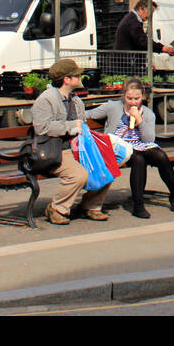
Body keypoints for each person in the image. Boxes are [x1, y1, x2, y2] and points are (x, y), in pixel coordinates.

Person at [31, 58, 110, 224]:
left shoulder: (75, 100)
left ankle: (91, 206)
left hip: (77, 148)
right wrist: (70, 126)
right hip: (56, 150)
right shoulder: (46, 100)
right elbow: (42, 128)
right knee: (78, 175)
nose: (80, 76)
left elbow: (83, 123)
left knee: (106, 167)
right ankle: (57, 208)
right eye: (77, 74)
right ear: (66, 79)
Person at [88, 79, 174, 219]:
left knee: (161, 156)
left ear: (142, 96)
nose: (133, 102)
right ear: (123, 96)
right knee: (138, 159)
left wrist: (139, 120)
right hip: (121, 145)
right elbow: (89, 114)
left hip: (142, 143)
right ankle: (138, 205)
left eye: (137, 99)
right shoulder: (114, 107)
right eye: (129, 98)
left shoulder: (148, 113)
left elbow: (149, 139)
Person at [114, 0, 174, 69]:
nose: (150, 16)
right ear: (141, 9)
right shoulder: (132, 22)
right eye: (150, 12)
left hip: (127, 61)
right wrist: (164, 48)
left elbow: (139, 44)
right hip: (125, 63)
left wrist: (145, 62)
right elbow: (143, 42)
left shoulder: (133, 19)